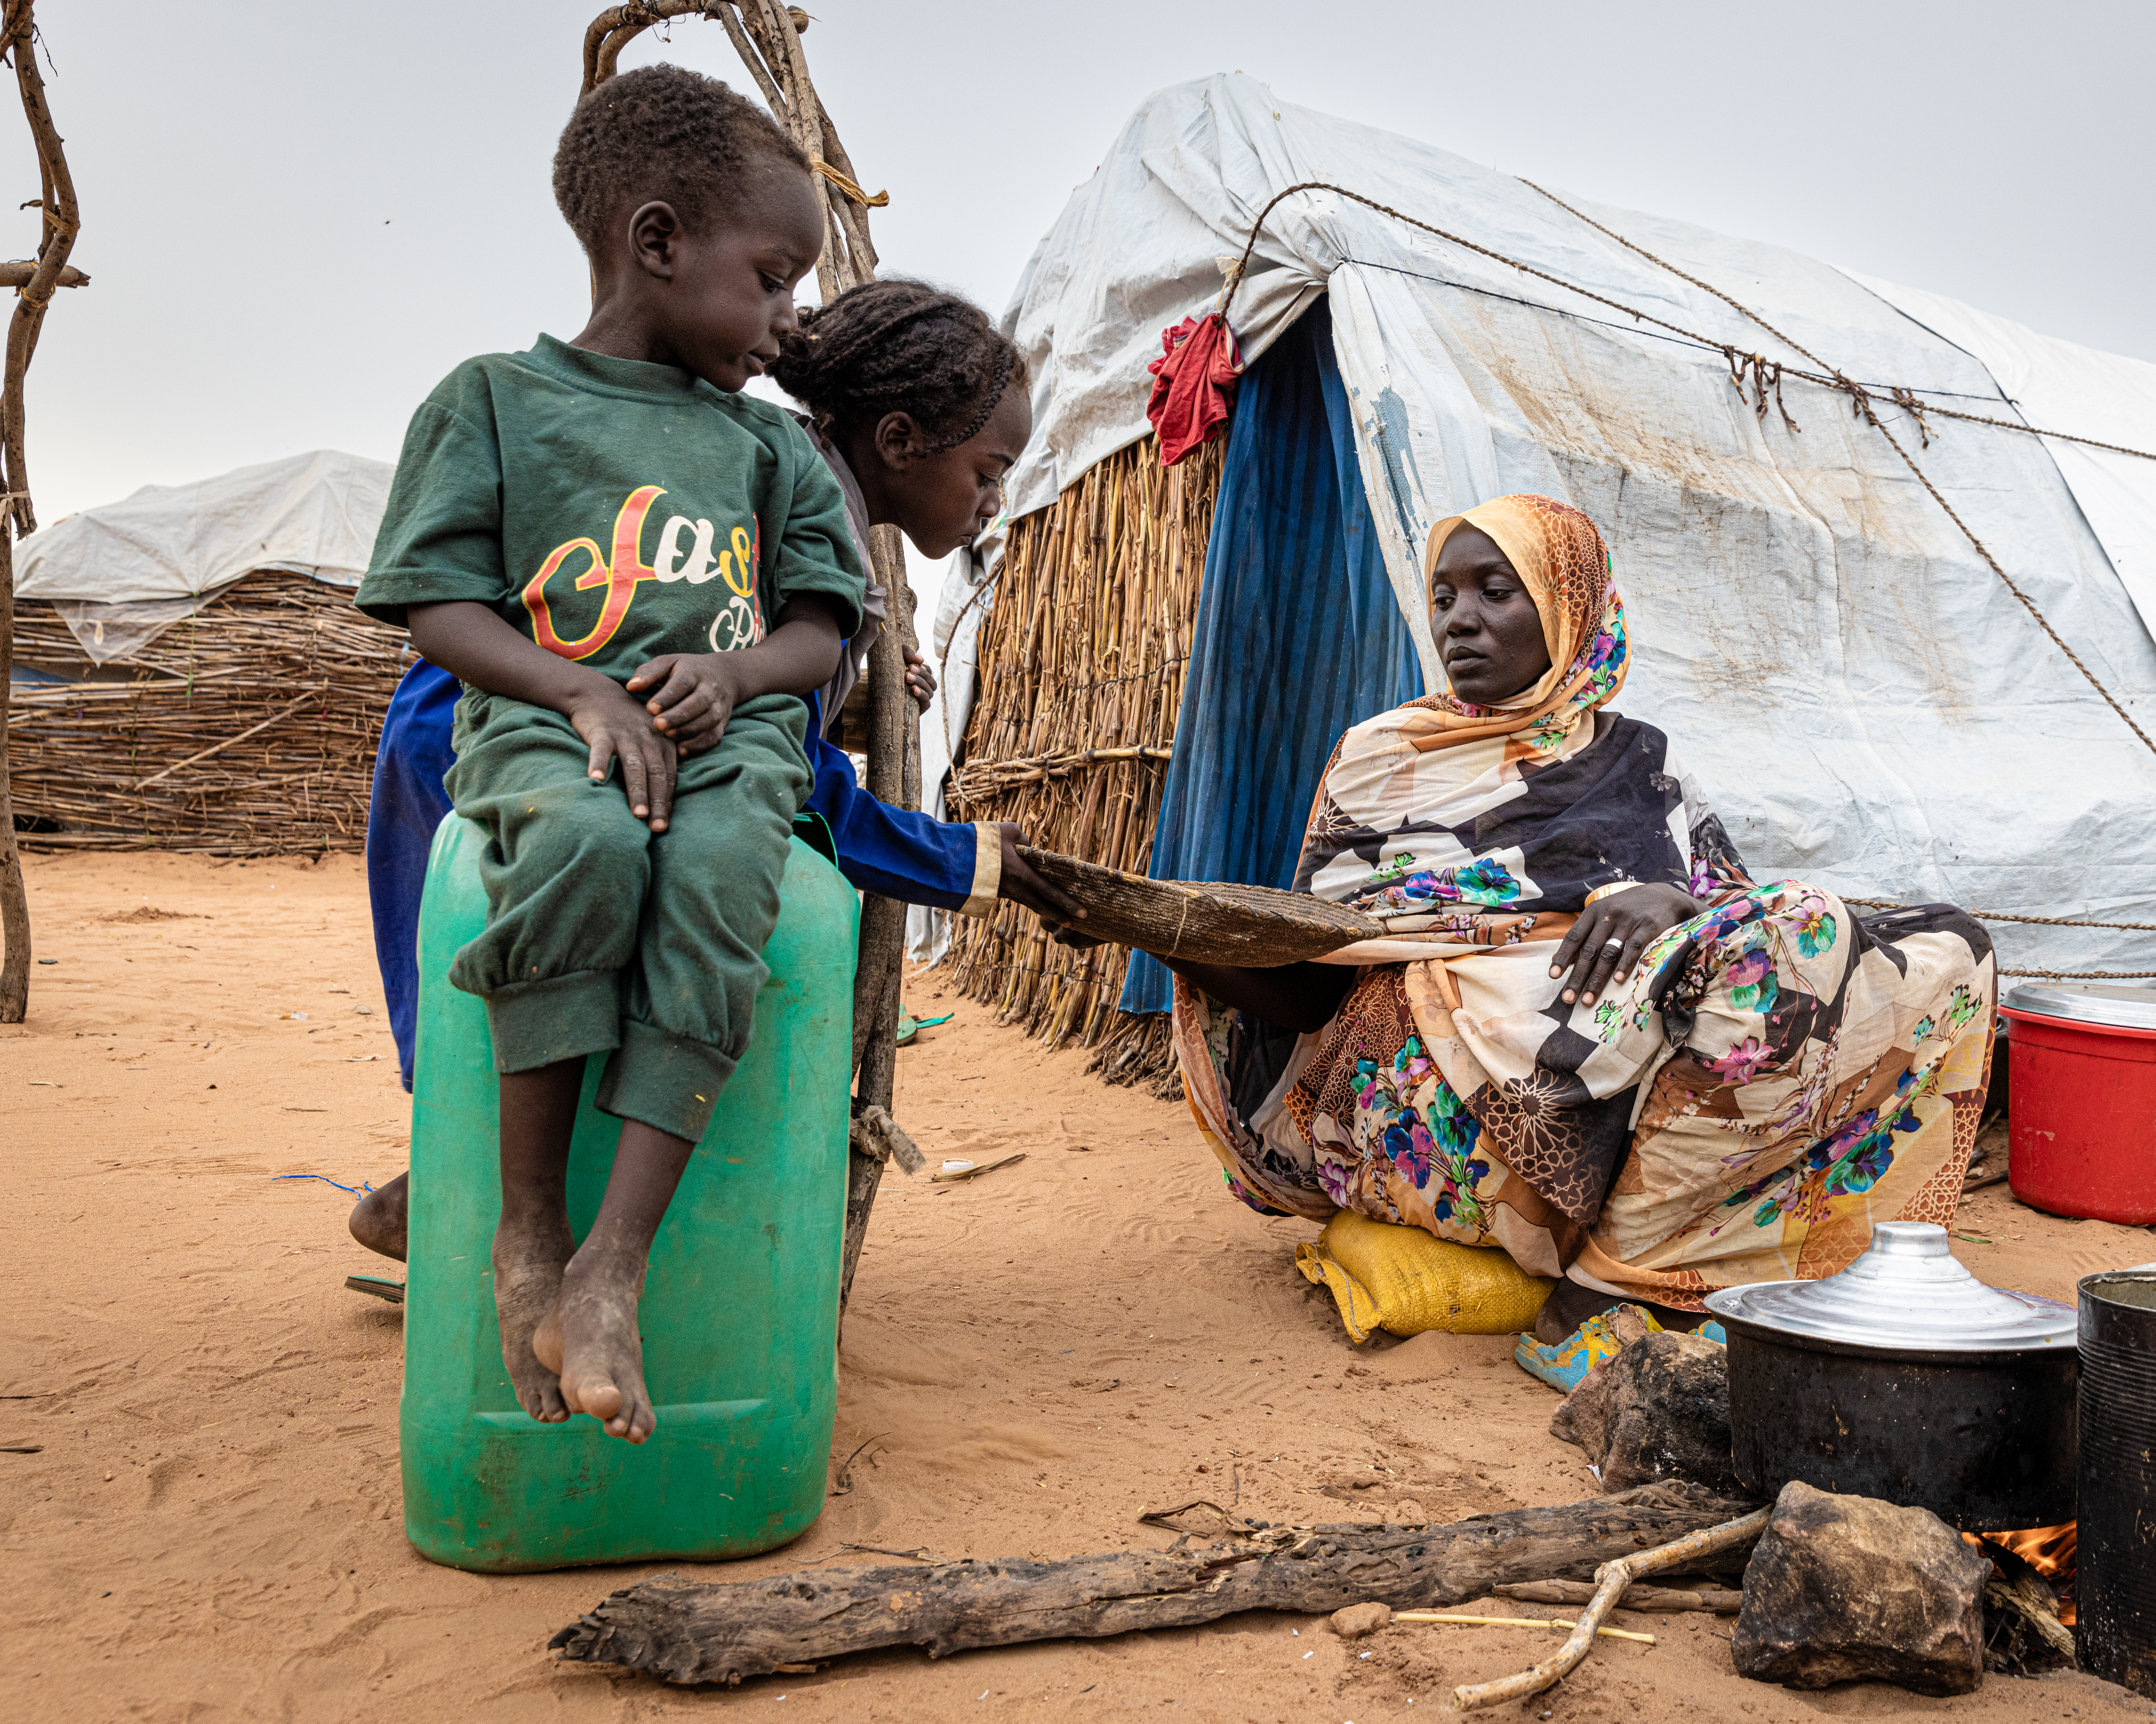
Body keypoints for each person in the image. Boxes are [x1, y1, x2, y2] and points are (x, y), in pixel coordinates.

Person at [350, 67, 1072, 1442]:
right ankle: (496, 1222)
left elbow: (784, 681)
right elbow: (812, 785)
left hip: (655, 741)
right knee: (553, 887)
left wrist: (786, 669)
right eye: (984, 472)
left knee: (689, 874)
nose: (989, 501)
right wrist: (966, 861)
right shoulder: (544, 413)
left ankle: (560, 1245)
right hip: (482, 735)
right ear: (662, 242)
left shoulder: (774, 473)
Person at [1152, 494, 1996, 1342]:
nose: (1460, 622)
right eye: (1444, 598)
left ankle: (1636, 1254)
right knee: (1801, 925)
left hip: (1639, 1090)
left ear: (1570, 605)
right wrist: (1153, 933)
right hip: (1449, 1115)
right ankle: (1601, 1291)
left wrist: (1674, 904)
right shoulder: (1382, 761)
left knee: (1945, 945)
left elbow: (1753, 934)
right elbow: (1309, 989)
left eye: (1494, 591)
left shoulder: (1643, 763)